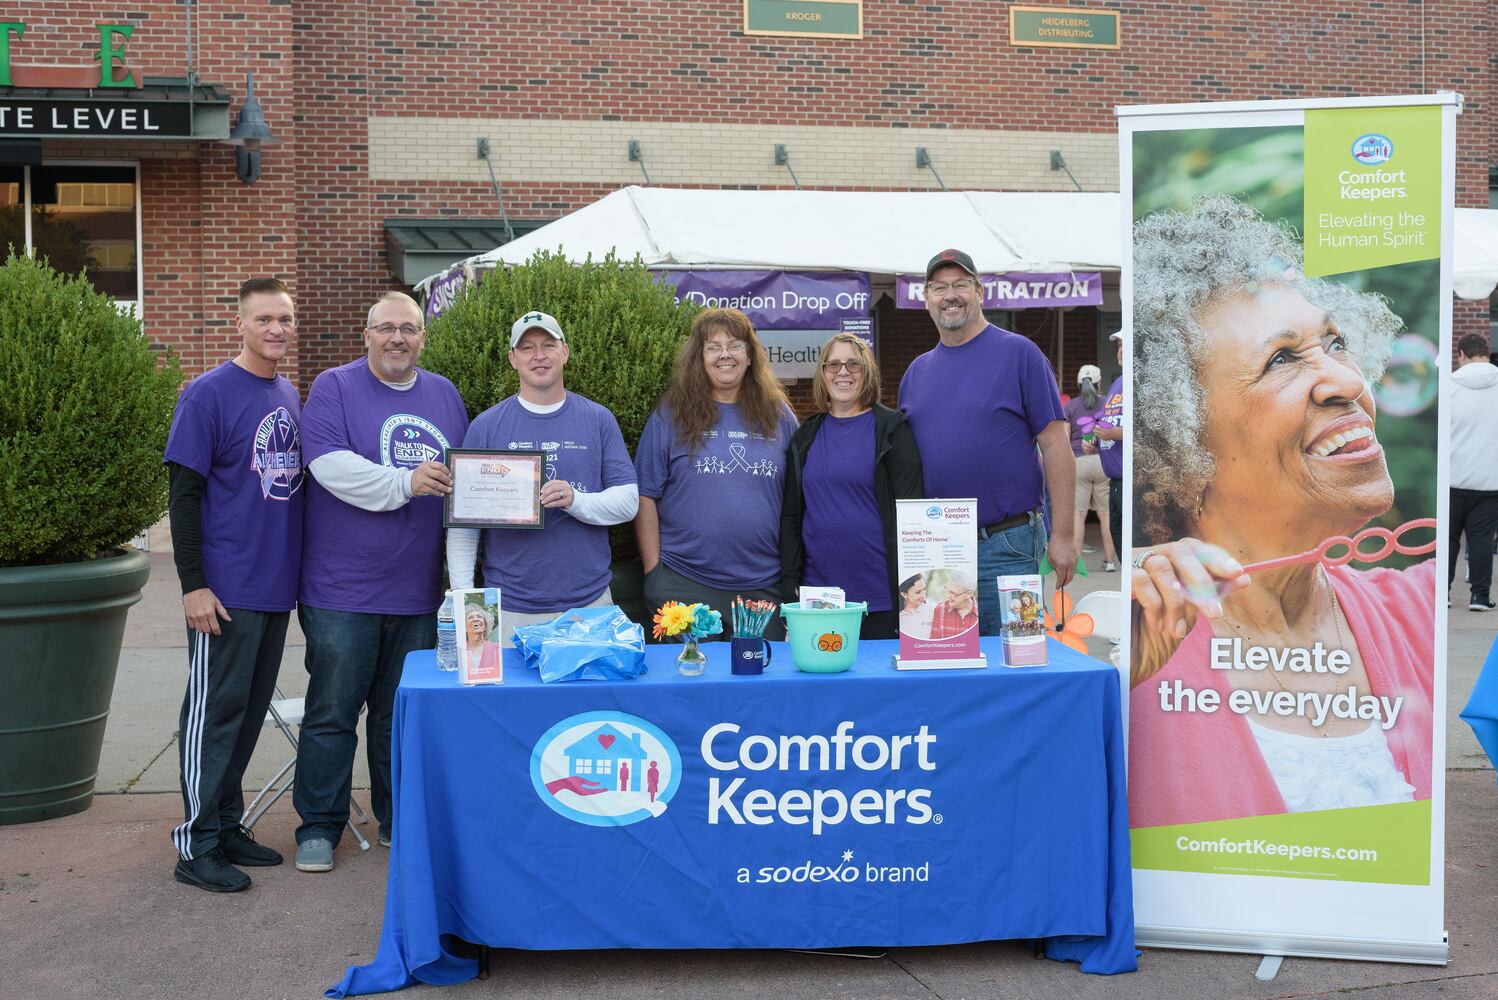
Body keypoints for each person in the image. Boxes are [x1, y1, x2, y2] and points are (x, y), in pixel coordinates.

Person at [1127, 196, 1434, 827]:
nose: (1347, 381)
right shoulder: (1125, 647)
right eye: (1282, 359)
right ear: (1178, 440)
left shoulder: (1422, 611)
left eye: (1335, 342)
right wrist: (1104, 688)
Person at [293, 292, 469, 872]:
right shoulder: (335, 387)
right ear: (366, 335)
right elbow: (328, 466)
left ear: (423, 337)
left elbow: (463, 488)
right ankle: (318, 825)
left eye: (410, 329)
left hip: (418, 590)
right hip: (342, 590)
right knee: (333, 711)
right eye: (386, 328)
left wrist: (458, 578)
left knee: (400, 715)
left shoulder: (444, 394)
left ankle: (398, 819)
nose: (398, 338)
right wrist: (406, 482)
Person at [162, 277, 304, 893]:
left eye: (285, 319)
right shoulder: (208, 394)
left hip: (275, 588)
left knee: (247, 716)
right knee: (213, 715)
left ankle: (224, 822)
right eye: (265, 319)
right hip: (225, 589)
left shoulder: (291, 394)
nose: (277, 329)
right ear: (240, 324)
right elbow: (184, 496)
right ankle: (194, 843)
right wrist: (193, 585)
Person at [900, 249, 1078, 635]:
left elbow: (1055, 445)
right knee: (949, 666)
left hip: (1009, 545)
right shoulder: (916, 373)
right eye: (940, 287)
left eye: (961, 285)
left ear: (979, 291)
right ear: (926, 298)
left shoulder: (1020, 354)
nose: (951, 295)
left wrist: (1064, 535)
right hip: (941, 551)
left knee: (1021, 656)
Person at [447, 311, 638, 641]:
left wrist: (575, 500)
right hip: (509, 609)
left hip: (590, 605)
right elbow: (465, 524)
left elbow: (628, 503)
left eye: (548, 345)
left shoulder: (598, 420)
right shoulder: (486, 427)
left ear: (564, 352)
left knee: (591, 694)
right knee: (511, 696)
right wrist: (464, 598)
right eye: (527, 348)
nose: (539, 356)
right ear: (512, 358)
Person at [634, 308, 798, 639]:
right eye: (713, 346)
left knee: (762, 686)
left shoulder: (778, 414)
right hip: (684, 585)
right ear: (700, 357)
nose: (725, 354)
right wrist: (655, 573)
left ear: (750, 355)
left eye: (735, 344)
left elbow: (799, 496)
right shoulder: (671, 414)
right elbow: (645, 494)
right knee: (692, 684)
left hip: (762, 590)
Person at [780, 333, 925, 639]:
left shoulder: (892, 430)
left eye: (853, 364)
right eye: (833, 364)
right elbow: (792, 515)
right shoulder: (806, 436)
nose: (843, 372)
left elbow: (913, 514)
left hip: (880, 594)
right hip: (819, 597)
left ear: (867, 371)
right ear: (822, 373)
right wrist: (790, 581)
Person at [1449, 332, 1498, 611]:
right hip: (1490, 480)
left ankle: (1442, 591)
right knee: (1481, 540)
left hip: (1453, 477)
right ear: (1487, 354)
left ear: (1462, 355)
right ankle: (1479, 596)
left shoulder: (1450, 387)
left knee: (1449, 540)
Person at [1066, 363, 1119, 573]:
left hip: (1079, 462)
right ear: (1099, 384)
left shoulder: (1070, 406)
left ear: (1079, 384)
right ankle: (1110, 562)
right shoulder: (1107, 403)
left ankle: (1078, 563)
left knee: (1078, 515)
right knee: (1105, 515)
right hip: (1102, 462)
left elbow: (1065, 437)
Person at [1096, 331, 1125, 562]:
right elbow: (1114, 421)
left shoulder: (1138, 383)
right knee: (1117, 537)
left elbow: (1145, 433)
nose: (1121, 350)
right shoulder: (1117, 383)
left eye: (1125, 345)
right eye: (1119, 346)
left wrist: (1114, 433)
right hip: (1114, 480)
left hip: (1130, 480)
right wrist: (1097, 441)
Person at [928, 574, 978, 639]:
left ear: (968, 594)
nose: (948, 596)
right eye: (947, 590)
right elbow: (934, 641)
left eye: (953, 593)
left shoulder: (981, 611)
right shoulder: (940, 609)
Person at [461, 604, 502, 675]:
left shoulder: (496, 647)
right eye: (470, 617)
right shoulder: (460, 649)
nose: (475, 619)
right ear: (465, 627)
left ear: (485, 625)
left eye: (479, 617)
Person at [898, 573, 933, 639]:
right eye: (918, 592)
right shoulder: (898, 616)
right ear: (904, 594)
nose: (923, 595)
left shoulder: (932, 611)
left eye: (924, 589)